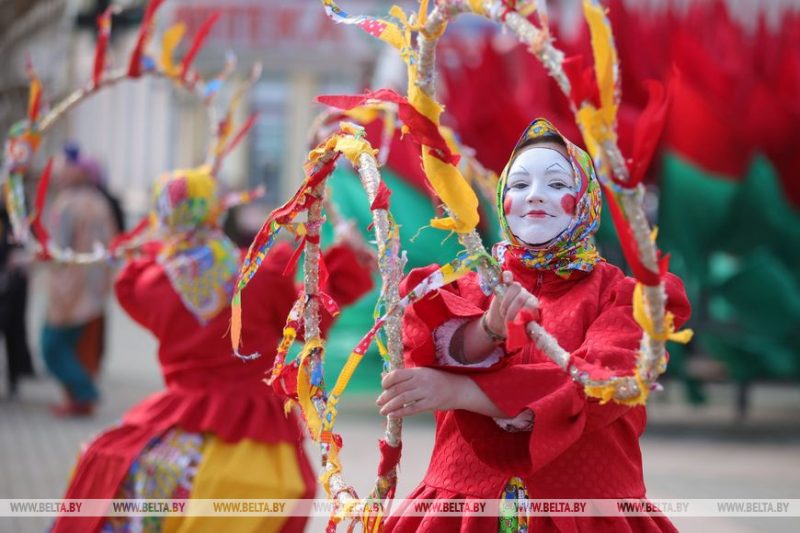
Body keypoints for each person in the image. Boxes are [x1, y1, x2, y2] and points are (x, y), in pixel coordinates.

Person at [377, 119, 691, 532]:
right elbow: (431, 347)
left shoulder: (628, 299)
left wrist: (459, 391)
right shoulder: (467, 286)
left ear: (586, 200)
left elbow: (596, 387)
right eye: (519, 184)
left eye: (558, 185)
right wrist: (488, 327)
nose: (535, 196)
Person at [52, 166, 374, 533]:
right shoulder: (258, 273)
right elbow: (306, 321)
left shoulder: (148, 284)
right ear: (216, 210)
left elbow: (135, 282)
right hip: (258, 427)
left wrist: (159, 248)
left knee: (107, 458)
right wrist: (344, 258)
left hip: (181, 414)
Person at [41, 149, 117, 416]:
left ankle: (85, 392)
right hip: (94, 288)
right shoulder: (99, 202)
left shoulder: (67, 204)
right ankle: (79, 399)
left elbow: (55, 248)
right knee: (82, 347)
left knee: (52, 346)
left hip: (70, 287)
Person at [0, 205, 35, 397]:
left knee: (13, 330)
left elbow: (28, 240)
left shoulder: (17, 206)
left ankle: (14, 377)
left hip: (12, 283)